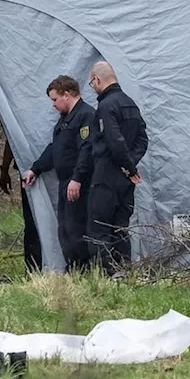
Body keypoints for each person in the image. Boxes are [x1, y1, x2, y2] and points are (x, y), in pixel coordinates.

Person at [72, 61, 148, 275]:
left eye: (91, 83)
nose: (92, 87)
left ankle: (106, 275)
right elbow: (143, 139)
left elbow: (114, 140)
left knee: (99, 227)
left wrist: (128, 166)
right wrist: (131, 166)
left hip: (106, 174)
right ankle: (124, 273)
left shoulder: (106, 106)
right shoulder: (130, 104)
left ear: (96, 80)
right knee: (121, 227)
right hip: (125, 180)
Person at [23, 75, 96, 271]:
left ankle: (84, 268)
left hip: (79, 183)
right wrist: (36, 168)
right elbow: (56, 149)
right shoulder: (65, 120)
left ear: (67, 94)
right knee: (65, 228)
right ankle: (72, 267)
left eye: (55, 99)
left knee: (76, 227)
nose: (54, 105)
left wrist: (77, 178)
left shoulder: (85, 116)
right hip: (65, 181)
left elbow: (87, 150)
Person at [0, 140, 42, 273]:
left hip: (45, 167)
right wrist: (4, 168)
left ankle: (37, 268)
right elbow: (12, 138)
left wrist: (5, 168)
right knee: (31, 223)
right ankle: (33, 268)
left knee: (34, 223)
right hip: (27, 169)